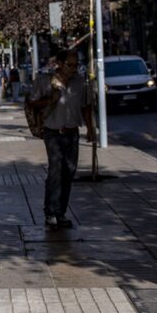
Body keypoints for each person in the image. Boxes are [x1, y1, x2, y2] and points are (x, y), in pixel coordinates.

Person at [27, 49, 95, 229]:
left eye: (76, 65)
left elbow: (86, 106)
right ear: (59, 63)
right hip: (53, 132)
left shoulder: (79, 82)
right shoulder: (45, 81)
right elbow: (32, 102)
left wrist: (90, 129)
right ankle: (51, 212)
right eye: (69, 65)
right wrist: (50, 99)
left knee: (69, 171)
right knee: (56, 171)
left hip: (72, 133)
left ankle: (61, 212)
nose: (73, 69)